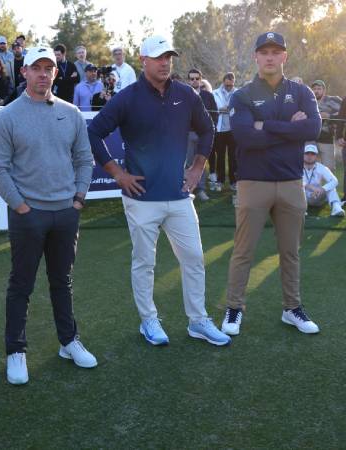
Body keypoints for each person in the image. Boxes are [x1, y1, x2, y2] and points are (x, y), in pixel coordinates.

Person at [88, 36, 231, 347]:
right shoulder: (126, 98)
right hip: (140, 199)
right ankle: (148, 321)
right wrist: (117, 174)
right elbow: (94, 132)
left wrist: (196, 168)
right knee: (144, 262)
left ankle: (198, 321)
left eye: (169, 56)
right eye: (158, 57)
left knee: (194, 258)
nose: (165, 62)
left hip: (179, 196)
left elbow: (208, 130)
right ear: (143, 61)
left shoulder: (186, 94)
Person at [0, 46, 97, 386]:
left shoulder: (71, 113)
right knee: (21, 284)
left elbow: (84, 159)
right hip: (28, 216)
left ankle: (68, 341)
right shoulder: (7, 116)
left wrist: (78, 199)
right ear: (24, 72)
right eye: (37, 68)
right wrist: (21, 207)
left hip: (65, 213)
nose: (43, 74)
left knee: (62, 281)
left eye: (49, 68)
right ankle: (16, 350)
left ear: (55, 72)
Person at [221, 32, 322, 336]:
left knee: (290, 251)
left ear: (284, 56)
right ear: (256, 57)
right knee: (243, 251)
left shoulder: (301, 91)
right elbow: (244, 136)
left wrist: (266, 126)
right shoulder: (243, 95)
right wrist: (290, 128)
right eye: (264, 52)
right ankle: (234, 308)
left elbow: (313, 127)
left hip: (291, 182)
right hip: (254, 182)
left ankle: (292, 308)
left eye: (275, 52)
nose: (269, 57)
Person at [186, 68, 217, 201]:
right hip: (188, 134)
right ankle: (188, 189)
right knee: (188, 163)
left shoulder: (208, 95)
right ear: (188, 80)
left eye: (197, 78)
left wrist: (211, 129)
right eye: (192, 79)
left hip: (204, 135)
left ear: (201, 79)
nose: (194, 81)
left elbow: (215, 113)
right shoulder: (185, 95)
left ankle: (201, 190)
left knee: (201, 162)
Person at [211, 72, 238, 192]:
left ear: (233, 83)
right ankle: (220, 181)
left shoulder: (238, 93)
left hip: (233, 129)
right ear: (223, 82)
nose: (229, 87)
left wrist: (231, 109)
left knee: (233, 157)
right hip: (220, 129)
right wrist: (218, 110)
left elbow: (241, 108)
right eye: (227, 85)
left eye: (231, 85)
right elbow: (211, 108)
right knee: (220, 156)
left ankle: (233, 181)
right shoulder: (214, 93)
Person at [302, 143, 345, 216]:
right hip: (303, 196)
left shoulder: (321, 167)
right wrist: (310, 187)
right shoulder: (296, 167)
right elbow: (295, 182)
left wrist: (322, 189)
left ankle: (336, 208)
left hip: (318, 196)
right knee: (296, 187)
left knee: (331, 188)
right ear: (303, 155)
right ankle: (301, 210)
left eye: (312, 154)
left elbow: (335, 181)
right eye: (307, 153)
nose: (309, 156)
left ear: (316, 156)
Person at [311, 79, 342, 171]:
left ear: (324, 90)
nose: (316, 91)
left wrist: (329, 116)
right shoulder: (308, 101)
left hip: (326, 139)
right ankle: (311, 186)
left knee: (329, 169)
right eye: (314, 89)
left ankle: (330, 185)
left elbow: (344, 113)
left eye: (319, 89)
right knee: (310, 169)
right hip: (310, 139)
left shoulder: (333, 100)